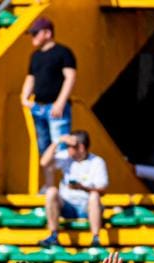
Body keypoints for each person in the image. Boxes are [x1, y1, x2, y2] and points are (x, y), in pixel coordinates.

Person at [22, 17, 77, 165]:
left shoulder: (63, 52)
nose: (33, 37)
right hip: (38, 107)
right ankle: (50, 179)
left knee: (60, 147)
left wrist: (60, 103)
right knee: (44, 149)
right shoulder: (35, 56)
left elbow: (70, 77)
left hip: (56, 108)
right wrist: (24, 98)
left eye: (35, 33)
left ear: (47, 33)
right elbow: (31, 77)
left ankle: (64, 177)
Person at [39, 131, 108, 248]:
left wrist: (81, 187)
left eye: (69, 146)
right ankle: (53, 235)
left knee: (94, 196)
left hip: (87, 207)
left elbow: (102, 190)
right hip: (66, 206)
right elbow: (44, 162)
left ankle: (95, 238)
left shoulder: (97, 162)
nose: (67, 149)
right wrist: (58, 141)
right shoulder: (66, 157)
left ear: (81, 147)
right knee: (51, 192)